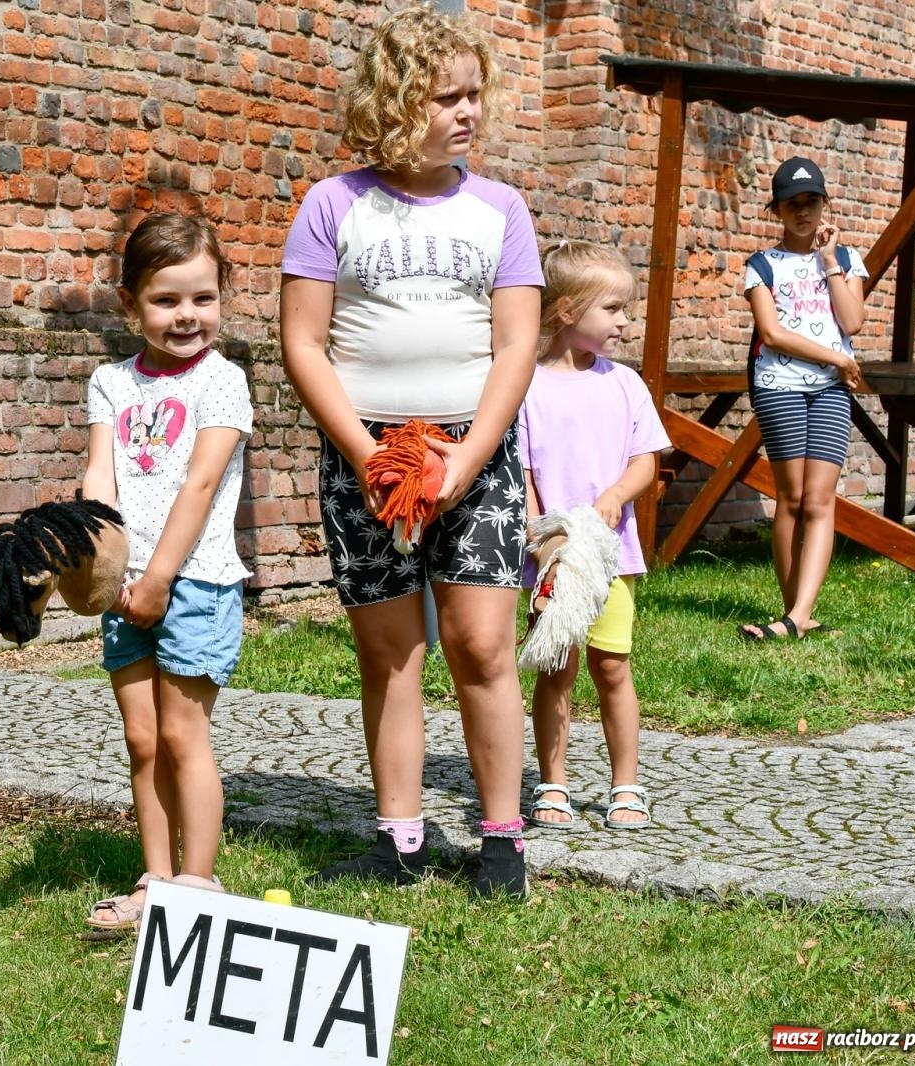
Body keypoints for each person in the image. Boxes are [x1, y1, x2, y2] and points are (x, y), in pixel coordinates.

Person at [279, 4, 542, 898]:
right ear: (396, 101)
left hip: (475, 452)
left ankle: (502, 838)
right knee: (389, 650)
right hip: (370, 454)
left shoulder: (500, 209)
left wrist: (463, 465)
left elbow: (516, 348)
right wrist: (367, 456)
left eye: (475, 95)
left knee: (481, 645)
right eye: (445, 97)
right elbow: (303, 344)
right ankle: (400, 840)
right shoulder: (332, 204)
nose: (467, 112)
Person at [80, 212, 253, 931]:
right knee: (142, 738)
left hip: (198, 580)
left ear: (224, 295)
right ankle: (154, 877)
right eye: (166, 300)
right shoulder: (110, 383)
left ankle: (198, 882)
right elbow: (99, 476)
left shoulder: (224, 381)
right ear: (130, 306)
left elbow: (200, 486)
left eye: (202, 299)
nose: (187, 316)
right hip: (128, 585)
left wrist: (158, 579)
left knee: (184, 735)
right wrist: (95, 564)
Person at [518, 239, 671, 831]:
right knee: (557, 667)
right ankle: (552, 783)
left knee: (613, 667)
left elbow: (644, 462)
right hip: (552, 559)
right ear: (566, 312)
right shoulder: (528, 387)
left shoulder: (624, 385)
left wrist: (613, 498)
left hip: (613, 560)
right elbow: (525, 472)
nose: (624, 321)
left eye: (624, 309)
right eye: (612, 309)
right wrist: (543, 539)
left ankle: (625, 783)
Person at [737, 157, 867, 641]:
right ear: (778, 210)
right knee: (790, 499)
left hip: (832, 391)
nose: (802, 211)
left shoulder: (847, 259)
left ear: (824, 204)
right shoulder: (762, 265)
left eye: (811, 201)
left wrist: (831, 263)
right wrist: (837, 359)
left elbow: (851, 322)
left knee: (820, 499)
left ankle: (797, 616)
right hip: (780, 389)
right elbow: (771, 333)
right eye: (792, 204)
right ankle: (795, 611)